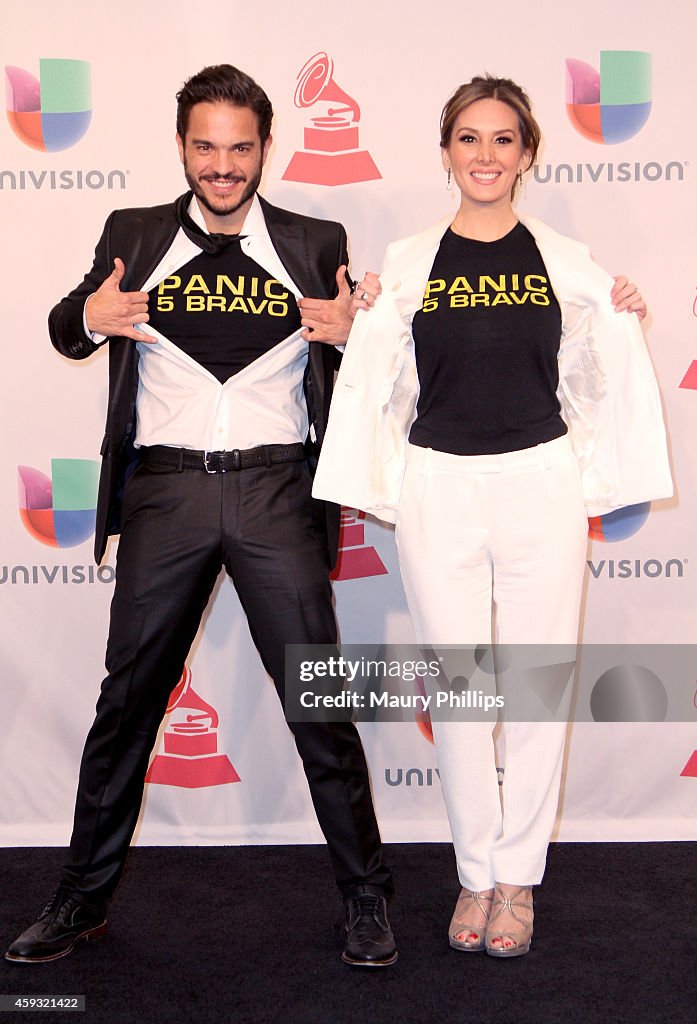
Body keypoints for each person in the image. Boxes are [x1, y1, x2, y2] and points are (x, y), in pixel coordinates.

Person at [5, 64, 396, 969]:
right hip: (166, 492)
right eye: (205, 147)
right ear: (181, 145)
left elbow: (359, 352)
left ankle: (367, 897)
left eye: (240, 148)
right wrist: (91, 318)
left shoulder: (312, 237)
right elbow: (70, 324)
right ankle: (78, 901)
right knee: (126, 706)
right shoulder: (134, 233)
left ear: (266, 148)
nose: (222, 167)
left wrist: (356, 333)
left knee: (318, 705)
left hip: (275, 492)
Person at [313, 75, 671, 958]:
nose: (484, 155)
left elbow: (595, 362)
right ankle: (475, 871)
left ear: (527, 154)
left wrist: (624, 313)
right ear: (445, 153)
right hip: (438, 484)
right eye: (467, 138)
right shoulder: (400, 263)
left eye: (502, 140)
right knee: (464, 691)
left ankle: (518, 879)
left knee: (536, 684)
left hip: (538, 481)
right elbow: (378, 378)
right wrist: (356, 316)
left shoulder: (568, 261)